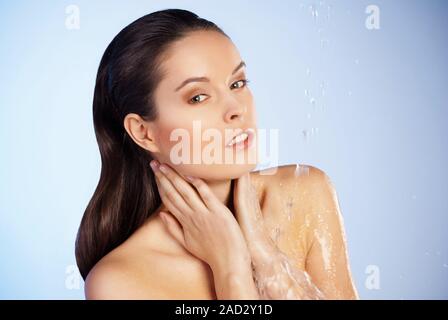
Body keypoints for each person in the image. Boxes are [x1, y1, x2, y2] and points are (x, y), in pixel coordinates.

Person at [75, 8, 358, 300]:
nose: (236, 108)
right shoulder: (120, 281)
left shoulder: (303, 194)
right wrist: (230, 266)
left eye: (237, 83)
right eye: (198, 97)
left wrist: (265, 259)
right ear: (143, 132)